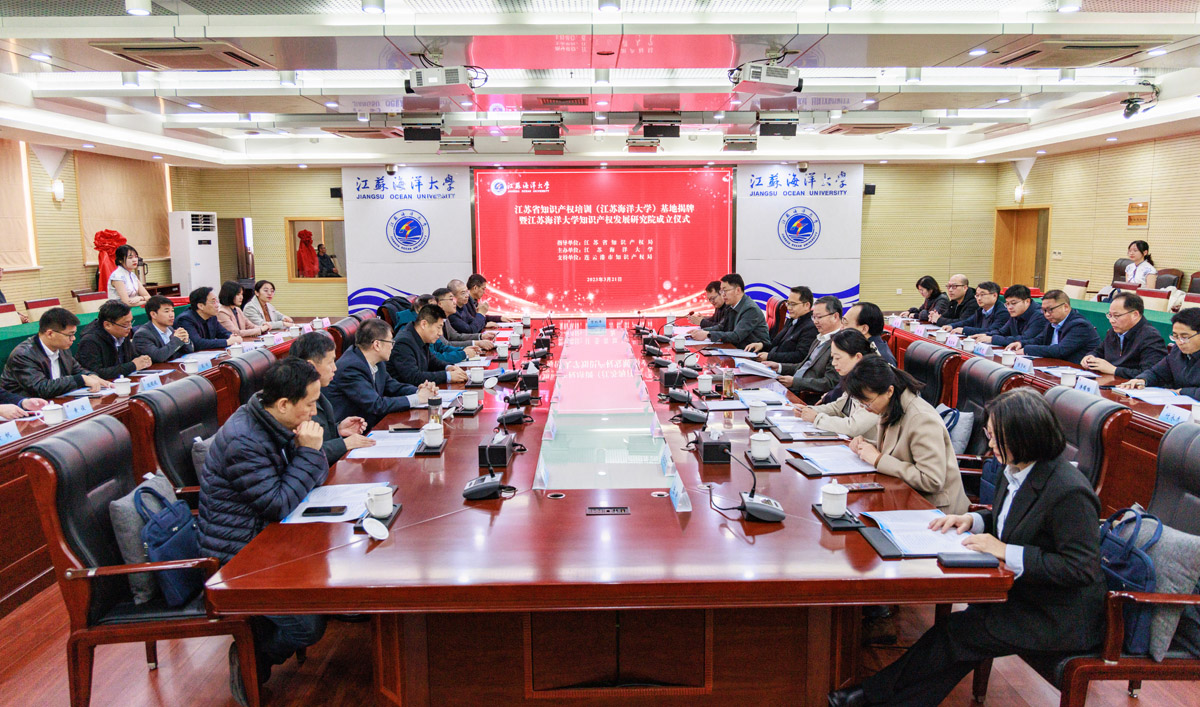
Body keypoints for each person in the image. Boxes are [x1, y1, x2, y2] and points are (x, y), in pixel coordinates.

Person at [829, 388, 1105, 707]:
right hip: (1025, 595)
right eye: (989, 435)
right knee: (955, 639)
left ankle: (867, 695)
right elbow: (1014, 519)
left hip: (1059, 615)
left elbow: (1080, 568)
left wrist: (1005, 551)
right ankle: (870, 697)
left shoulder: (1069, 492)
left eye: (996, 437)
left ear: (1026, 436)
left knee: (957, 634)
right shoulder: (1016, 468)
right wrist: (972, 521)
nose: (990, 445)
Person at [196, 359, 330, 703]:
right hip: (238, 555)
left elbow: (309, 479)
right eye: (310, 404)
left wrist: (310, 453)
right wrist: (308, 453)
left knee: (333, 579)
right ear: (284, 403)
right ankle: (252, 656)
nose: (315, 412)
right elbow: (277, 503)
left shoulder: (271, 420)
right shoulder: (244, 440)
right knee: (308, 625)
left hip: (269, 538)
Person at [841, 356, 968, 514]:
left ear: (889, 391)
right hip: (901, 494)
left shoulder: (921, 419)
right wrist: (865, 446)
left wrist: (878, 459)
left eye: (867, 402)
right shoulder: (891, 405)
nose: (865, 408)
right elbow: (898, 449)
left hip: (934, 508)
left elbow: (931, 480)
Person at [325, 318, 437, 429]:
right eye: (391, 342)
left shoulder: (377, 361)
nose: (392, 346)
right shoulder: (350, 368)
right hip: (353, 431)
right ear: (377, 345)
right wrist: (417, 398)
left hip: (373, 424)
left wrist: (419, 391)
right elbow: (376, 405)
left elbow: (392, 386)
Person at [289, 332, 374, 464]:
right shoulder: (294, 402)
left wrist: (338, 430)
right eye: (330, 362)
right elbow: (304, 452)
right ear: (311, 366)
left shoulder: (316, 391)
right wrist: (344, 444)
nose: (335, 368)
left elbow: (318, 437)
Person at [792, 329, 881, 443]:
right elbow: (838, 407)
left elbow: (853, 427)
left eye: (838, 358)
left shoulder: (875, 381)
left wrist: (816, 418)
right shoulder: (855, 376)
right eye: (832, 357)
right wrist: (808, 410)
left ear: (858, 357)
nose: (834, 363)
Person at [1, 307, 107, 398]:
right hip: (25, 407)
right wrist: (81, 379)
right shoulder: (23, 354)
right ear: (50, 334)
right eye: (69, 335)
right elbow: (41, 388)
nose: (73, 338)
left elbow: (77, 369)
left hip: (56, 400)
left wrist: (91, 375)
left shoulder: (62, 348)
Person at [1081, 292, 1169, 378]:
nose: (1111, 320)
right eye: (1110, 315)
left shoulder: (1150, 337)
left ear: (1135, 315)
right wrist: (1090, 356)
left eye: (1116, 316)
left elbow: (1151, 375)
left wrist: (1114, 370)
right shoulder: (1115, 331)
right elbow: (1099, 351)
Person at [768, 295, 843, 396]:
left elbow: (829, 382)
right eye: (814, 317)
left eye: (819, 317)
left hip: (806, 395)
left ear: (835, 317)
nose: (815, 321)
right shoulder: (820, 337)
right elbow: (805, 366)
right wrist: (779, 367)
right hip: (794, 387)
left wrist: (795, 382)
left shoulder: (841, 344)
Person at [1118, 308, 1200, 398]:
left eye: (1184, 337)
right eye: (1175, 336)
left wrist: (1182, 391)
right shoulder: (1177, 351)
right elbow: (1157, 373)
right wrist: (1142, 380)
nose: (1180, 342)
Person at [1003, 290, 1100, 365]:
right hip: (1057, 366)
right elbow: (1040, 340)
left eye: (1050, 310)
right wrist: (1021, 343)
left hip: (1077, 371)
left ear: (1065, 307)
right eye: (1044, 310)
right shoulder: (1053, 321)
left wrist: (1026, 350)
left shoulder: (1079, 325)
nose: (1046, 314)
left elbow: (1060, 350)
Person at [388, 305, 469, 387]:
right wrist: (448, 376)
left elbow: (432, 361)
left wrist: (448, 367)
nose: (440, 333)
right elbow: (413, 377)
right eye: (438, 327)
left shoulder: (420, 336)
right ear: (424, 324)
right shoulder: (403, 342)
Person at [74, 300, 153, 380]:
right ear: (107, 325)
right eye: (126, 324)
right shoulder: (90, 341)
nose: (130, 327)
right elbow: (94, 373)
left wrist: (143, 361)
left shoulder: (122, 332)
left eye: (130, 322)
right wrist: (133, 366)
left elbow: (133, 357)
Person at [690, 274, 770, 347]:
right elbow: (722, 327)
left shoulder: (750, 309)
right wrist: (702, 331)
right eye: (721, 291)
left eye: (725, 291)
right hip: (736, 348)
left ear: (738, 290)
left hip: (752, 352)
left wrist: (708, 334)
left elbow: (737, 336)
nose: (723, 294)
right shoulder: (730, 306)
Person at [394, 294, 478, 363]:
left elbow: (440, 346)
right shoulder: (410, 330)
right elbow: (434, 358)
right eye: (433, 307)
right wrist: (462, 354)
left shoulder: (431, 323)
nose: (437, 310)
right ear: (421, 308)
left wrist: (462, 349)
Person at [746, 285, 817, 365]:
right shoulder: (792, 321)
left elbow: (800, 356)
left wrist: (769, 356)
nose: (789, 308)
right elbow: (776, 343)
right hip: (770, 362)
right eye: (788, 303)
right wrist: (761, 345)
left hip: (782, 368)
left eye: (793, 304)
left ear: (807, 305)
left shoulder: (810, 327)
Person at [971, 285, 1047, 348]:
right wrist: (986, 335)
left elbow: (1025, 338)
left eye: (1013, 303)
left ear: (1027, 301)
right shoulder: (1015, 313)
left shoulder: (1039, 316)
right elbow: (1002, 332)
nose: (1009, 307)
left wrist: (992, 339)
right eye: (1007, 303)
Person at [177, 287, 243, 351]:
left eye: (217, 301)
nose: (217, 305)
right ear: (201, 306)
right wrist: (227, 342)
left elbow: (223, 333)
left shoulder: (212, 317)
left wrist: (233, 336)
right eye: (213, 302)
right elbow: (197, 343)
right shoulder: (185, 319)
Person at [133, 295, 194, 362]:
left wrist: (186, 341)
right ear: (153, 314)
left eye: (172, 311)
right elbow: (158, 357)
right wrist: (177, 339)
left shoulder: (170, 329)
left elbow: (189, 351)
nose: (171, 315)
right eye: (166, 311)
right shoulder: (142, 335)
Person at [449, 275, 515, 333]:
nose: (467, 295)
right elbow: (470, 330)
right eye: (463, 293)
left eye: (466, 292)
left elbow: (474, 321)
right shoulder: (454, 311)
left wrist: (498, 318)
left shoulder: (463, 306)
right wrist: (481, 314)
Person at [943, 281, 1008, 336]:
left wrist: (964, 330)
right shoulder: (981, 309)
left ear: (994, 295)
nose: (979, 298)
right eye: (977, 295)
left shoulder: (1003, 312)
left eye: (982, 295)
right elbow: (968, 322)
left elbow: (992, 330)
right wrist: (952, 326)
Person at [842, 302, 896, 366]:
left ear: (864, 329)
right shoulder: (861, 347)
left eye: (845, 323)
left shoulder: (879, 361)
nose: (841, 328)